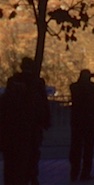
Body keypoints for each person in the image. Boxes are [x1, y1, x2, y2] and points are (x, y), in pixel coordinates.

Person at [0, 57, 51, 185]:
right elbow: (43, 103)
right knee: (32, 154)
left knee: (13, 159)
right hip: (30, 126)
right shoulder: (37, 82)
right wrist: (45, 121)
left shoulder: (13, 81)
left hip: (14, 127)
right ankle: (31, 176)